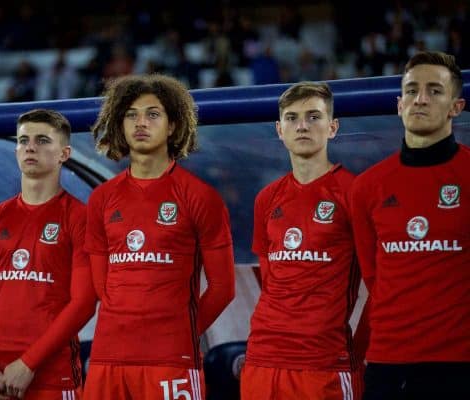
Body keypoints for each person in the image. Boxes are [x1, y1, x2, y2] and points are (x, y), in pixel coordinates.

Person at [83, 74, 236, 400]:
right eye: (131, 114)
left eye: (153, 114)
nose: (141, 123)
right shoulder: (101, 199)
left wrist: (179, 335)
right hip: (109, 356)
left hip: (170, 359)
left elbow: (223, 288)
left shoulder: (200, 197)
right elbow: (102, 286)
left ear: (172, 126)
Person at [350, 51, 469, 399]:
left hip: (458, 362)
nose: (420, 99)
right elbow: (374, 275)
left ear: (456, 107)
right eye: (412, 90)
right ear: (399, 104)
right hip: (388, 361)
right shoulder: (367, 187)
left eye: (435, 91)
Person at [0, 109, 97, 400]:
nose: (30, 147)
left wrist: (29, 363)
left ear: (64, 153)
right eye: (23, 141)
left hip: (51, 374)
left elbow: (84, 302)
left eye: (42, 140)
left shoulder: (79, 217)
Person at [241, 82, 365, 400]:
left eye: (313, 117)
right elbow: (271, 281)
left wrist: (361, 349)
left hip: (323, 360)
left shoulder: (356, 192)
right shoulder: (267, 198)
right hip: (263, 357)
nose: (302, 126)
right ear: (280, 130)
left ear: (332, 127)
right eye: (292, 118)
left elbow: (383, 285)